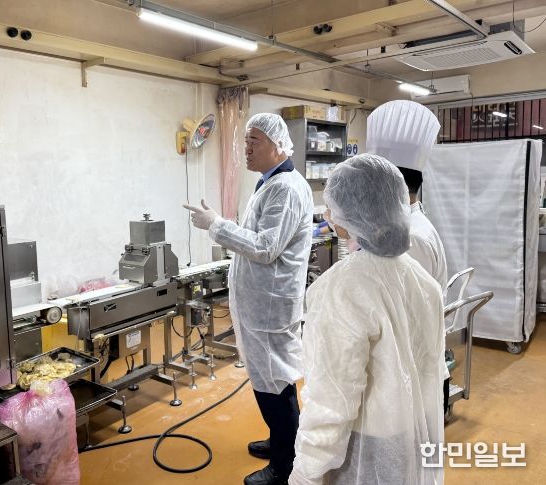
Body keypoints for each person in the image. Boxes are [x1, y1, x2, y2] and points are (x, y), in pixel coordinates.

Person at [289, 154, 445, 485]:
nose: (327, 214)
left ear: (350, 215)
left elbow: (332, 399)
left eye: (331, 207)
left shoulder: (340, 289)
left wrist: (306, 472)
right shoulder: (422, 281)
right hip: (411, 436)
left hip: (364, 448)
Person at [184, 113, 313, 485]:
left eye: (253, 141)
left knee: (276, 382)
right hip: (262, 301)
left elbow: (266, 247)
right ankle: (281, 441)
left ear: (277, 144)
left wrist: (216, 224)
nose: (246, 149)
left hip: (271, 305)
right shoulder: (270, 182)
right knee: (269, 378)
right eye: (245, 142)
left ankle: (285, 466)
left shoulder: (285, 189)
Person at [366, 99, 451, 415]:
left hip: (413, 373)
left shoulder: (410, 237)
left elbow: (410, 318)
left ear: (390, 185)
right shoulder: (407, 225)